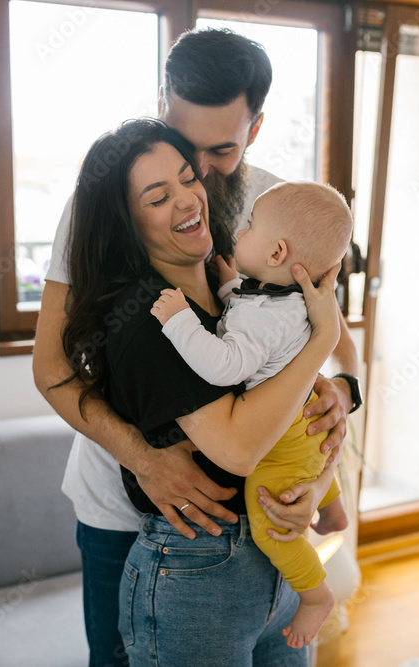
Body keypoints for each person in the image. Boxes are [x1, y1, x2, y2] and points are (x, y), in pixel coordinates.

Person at [33, 28, 361, 666]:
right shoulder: (103, 208)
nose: (199, 182)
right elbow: (50, 369)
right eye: (184, 148)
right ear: (163, 107)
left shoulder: (279, 207)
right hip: (120, 508)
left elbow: (329, 342)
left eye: (219, 153)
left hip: (248, 524)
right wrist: (144, 458)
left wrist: (339, 408)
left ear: (255, 130)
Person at [149, 180, 354, 648]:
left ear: (277, 252)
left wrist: (178, 319)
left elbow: (227, 364)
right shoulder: (281, 298)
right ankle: (333, 506)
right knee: (310, 461)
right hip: (302, 420)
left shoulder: (266, 314)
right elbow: (246, 311)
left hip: (280, 437)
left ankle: (316, 594)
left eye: (248, 227)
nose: (238, 233)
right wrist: (228, 282)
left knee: (270, 524)